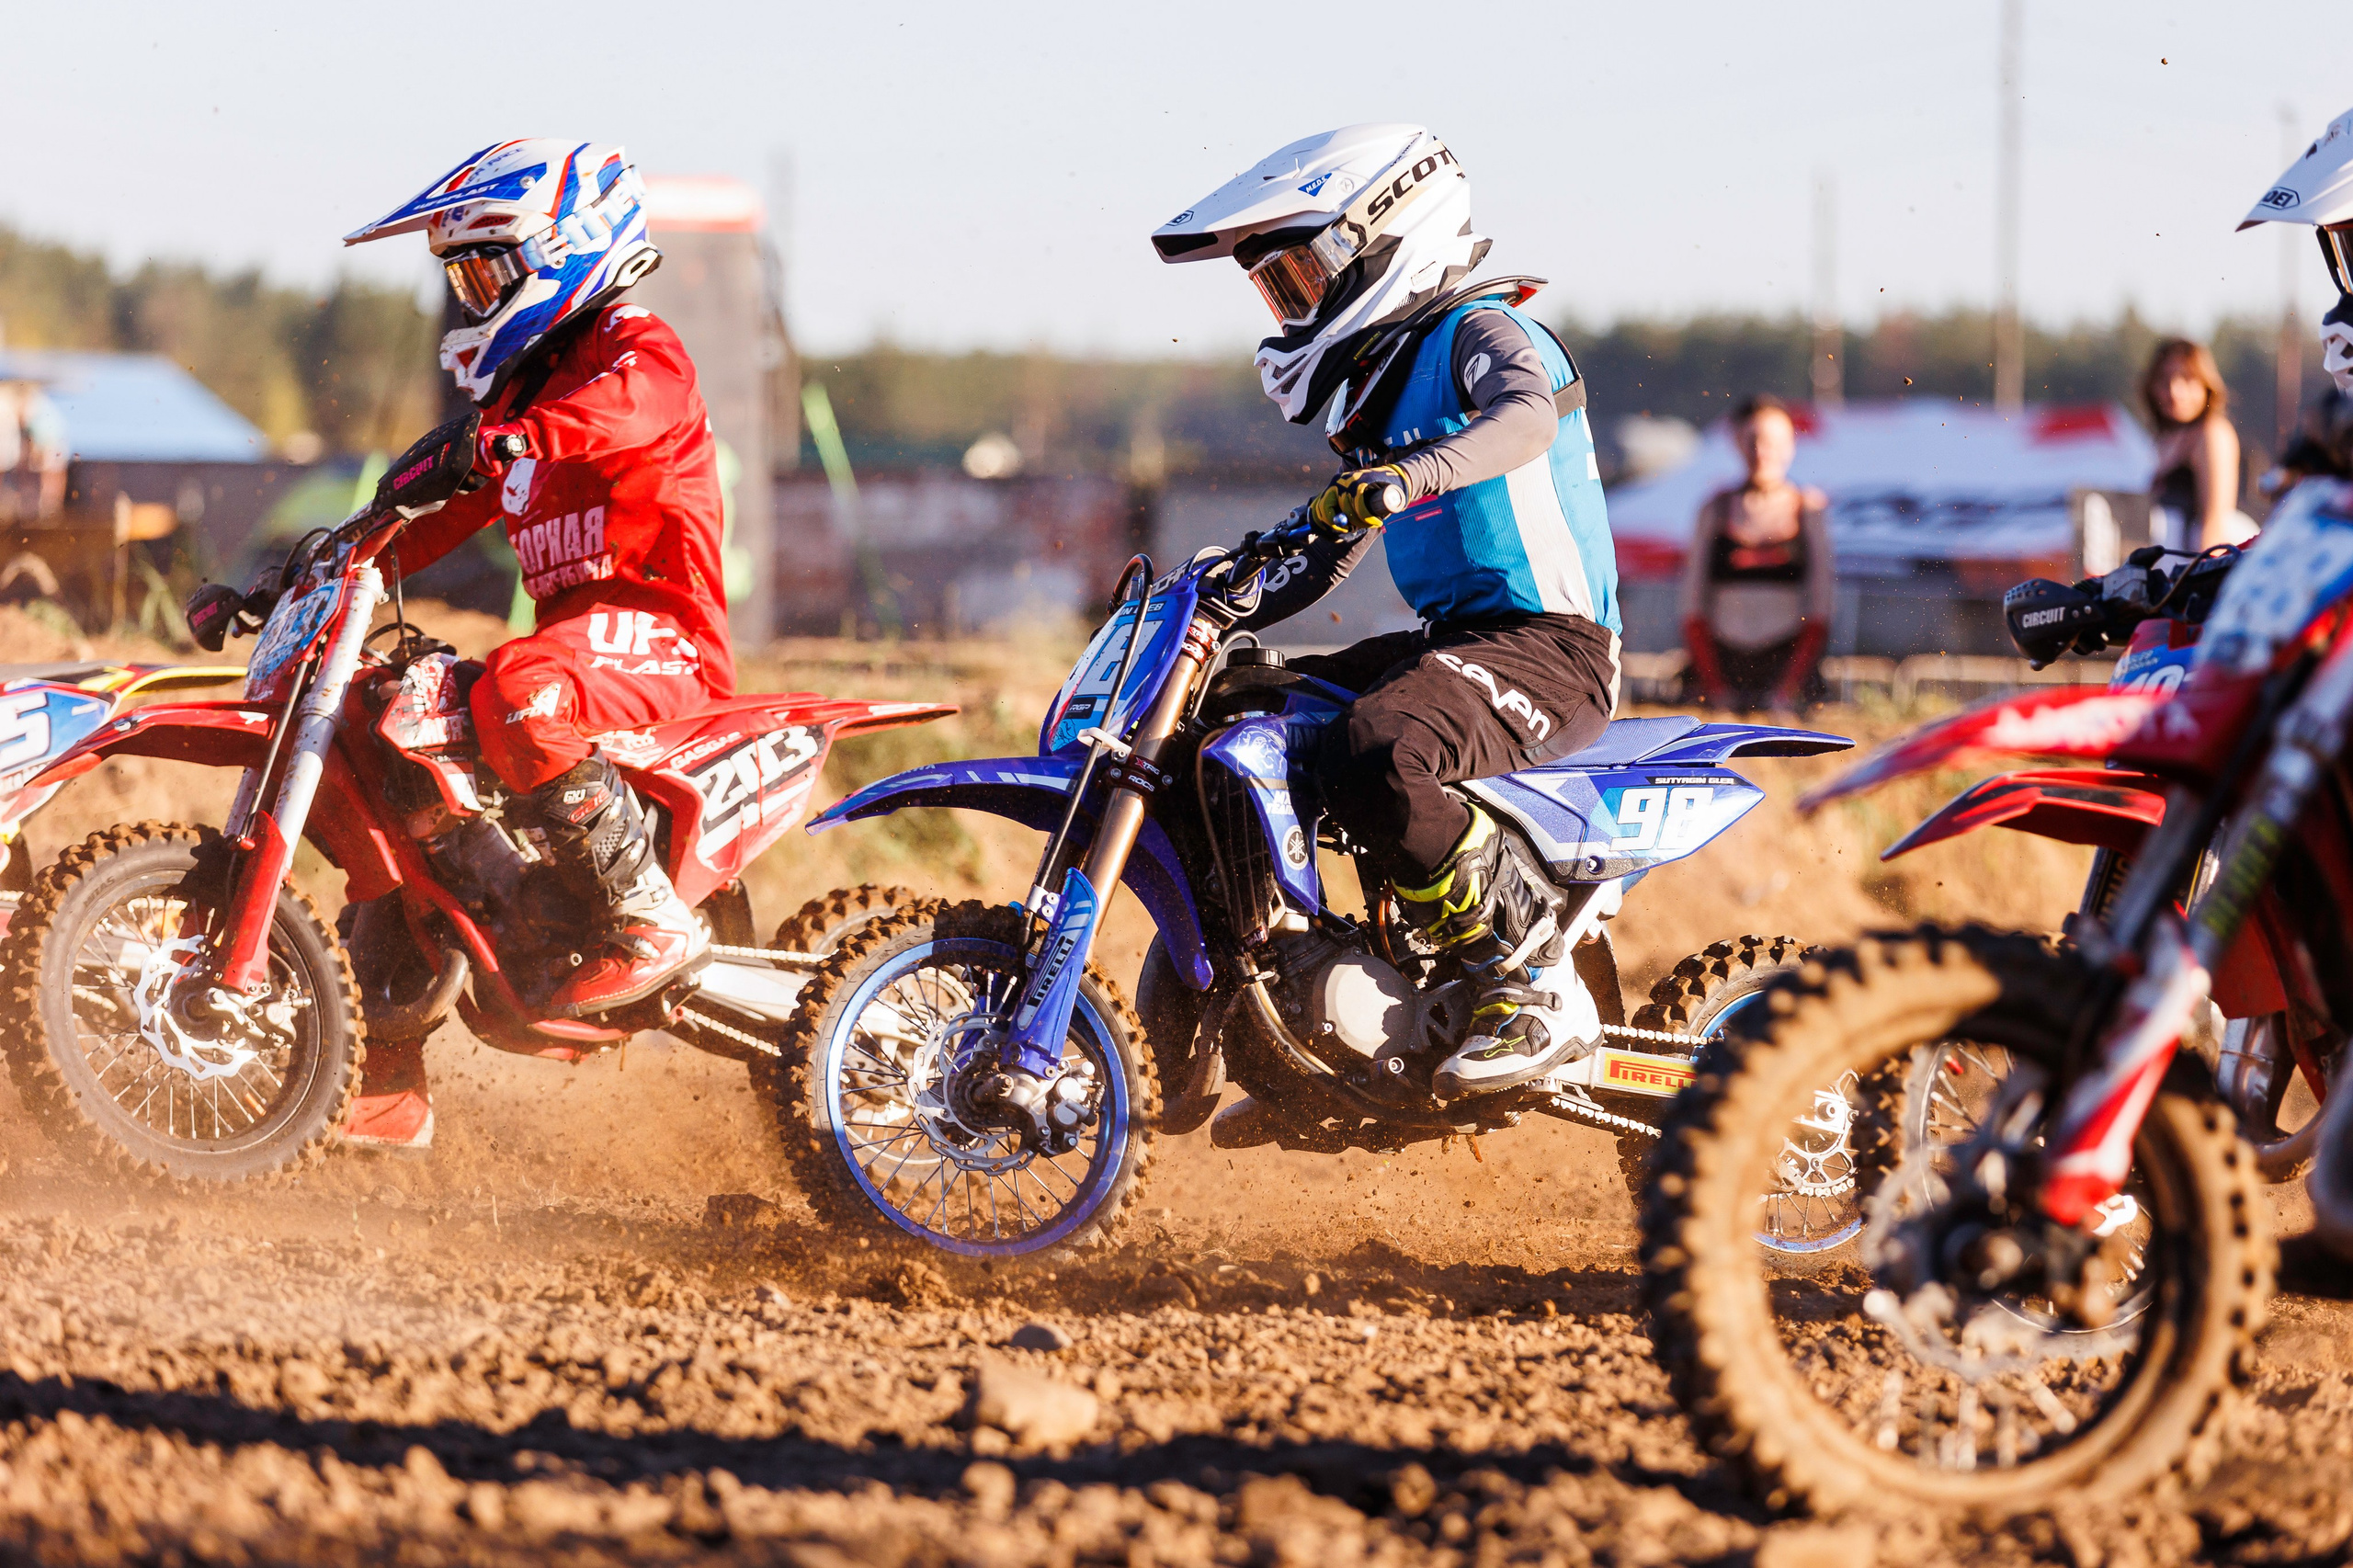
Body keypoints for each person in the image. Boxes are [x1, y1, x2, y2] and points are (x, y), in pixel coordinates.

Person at [1149, 124, 1619, 1099]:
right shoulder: (1376, 392)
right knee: (1231, 713)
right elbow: (1329, 552)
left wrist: (1411, 473)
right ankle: (1278, 1008)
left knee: (1377, 744)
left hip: (1552, 648)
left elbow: (1526, 419)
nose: (1292, 307)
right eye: (1276, 292)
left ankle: (1524, 981)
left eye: (1300, 278)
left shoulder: (1485, 332)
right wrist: (1225, 594)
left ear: (1385, 231)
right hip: (1460, 645)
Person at [333, 139, 733, 1145]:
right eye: (460, 277)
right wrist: (328, 563)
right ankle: (384, 1060)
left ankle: (649, 920)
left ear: (567, 248)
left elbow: (619, 412)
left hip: (664, 643)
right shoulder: (516, 400)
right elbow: (434, 518)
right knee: (391, 726)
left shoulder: (638, 348)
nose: (472, 295)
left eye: (487, 270)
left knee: (515, 682)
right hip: (580, 659)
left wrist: (510, 437)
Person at [1679, 394, 1835, 714]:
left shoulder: (1808, 509)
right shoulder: (1715, 509)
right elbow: (1692, 605)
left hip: (1787, 664)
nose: (1762, 452)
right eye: (1752, 441)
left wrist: (1788, 688)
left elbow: (1822, 607)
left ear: (1791, 445)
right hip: (1721, 664)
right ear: (1736, 443)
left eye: (1772, 442)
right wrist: (1714, 685)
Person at [2142, 339, 2256, 551]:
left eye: (2187, 379)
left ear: (2206, 384)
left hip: (2206, 560)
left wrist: (2198, 578)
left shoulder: (2212, 433)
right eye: (2165, 381)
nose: (2175, 392)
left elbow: (2215, 520)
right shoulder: (2162, 438)